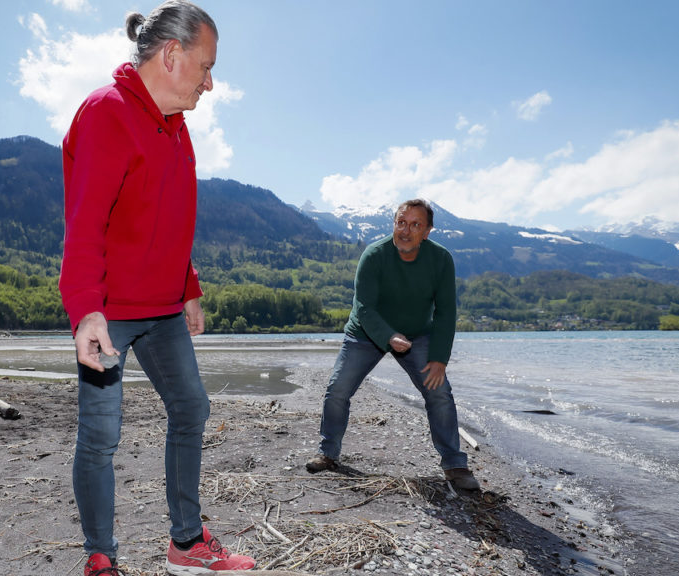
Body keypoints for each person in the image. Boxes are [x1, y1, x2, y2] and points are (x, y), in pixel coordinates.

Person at [58, 2, 255, 574]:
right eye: (206, 66)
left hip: (163, 307)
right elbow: (85, 223)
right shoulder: (106, 114)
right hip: (109, 311)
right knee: (101, 435)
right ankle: (100, 556)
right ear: (172, 55)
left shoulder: (177, 128)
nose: (211, 83)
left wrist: (187, 283)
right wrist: (86, 312)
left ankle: (186, 543)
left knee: (191, 406)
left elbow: (170, 218)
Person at [304, 199, 480, 491]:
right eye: (401, 222)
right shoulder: (374, 255)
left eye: (415, 225)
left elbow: (446, 312)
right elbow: (363, 307)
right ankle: (328, 452)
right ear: (394, 224)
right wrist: (388, 336)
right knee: (337, 389)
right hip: (365, 333)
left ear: (427, 231)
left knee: (440, 393)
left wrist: (439, 358)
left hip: (418, 335)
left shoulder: (441, 259)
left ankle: (455, 464)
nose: (406, 230)